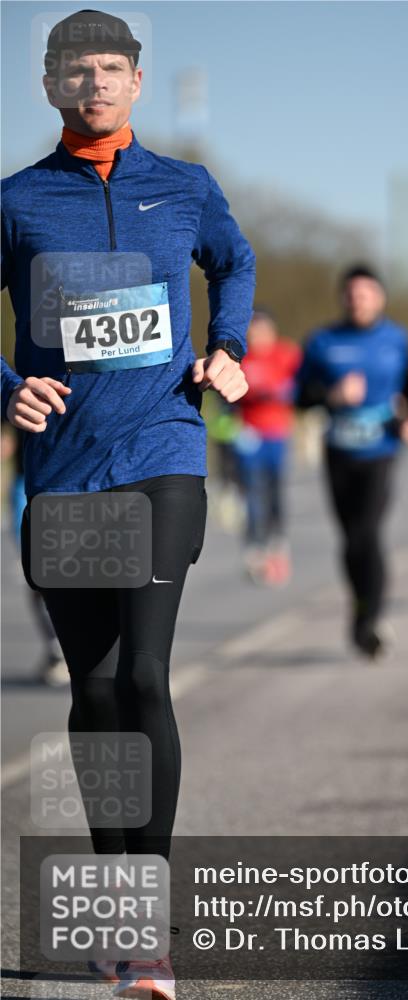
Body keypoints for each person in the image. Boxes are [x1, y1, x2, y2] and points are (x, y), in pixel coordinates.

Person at [1, 10, 255, 999]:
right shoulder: (18, 202)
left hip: (164, 449)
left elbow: (232, 260)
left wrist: (226, 347)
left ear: (136, 82)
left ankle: (147, 927)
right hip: (63, 468)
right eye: (75, 69)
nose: (93, 82)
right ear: (52, 85)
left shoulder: (184, 187)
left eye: (110, 67)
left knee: (145, 675)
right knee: (96, 687)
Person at [296, 265, 408, 660]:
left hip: (381, 448)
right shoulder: (322, 341)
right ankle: (361, 605)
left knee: (369, 532)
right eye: (351, 293)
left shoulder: (398, 339)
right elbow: (301, 397)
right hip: (338, 449)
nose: (358, 300)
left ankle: (371, 619)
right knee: (350, 540)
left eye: (366, 293)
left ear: (380, 297)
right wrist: (332, 395)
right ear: (343, 298)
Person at [234, 309, 302, 585]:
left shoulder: (286, 353)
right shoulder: (241, 356)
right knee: (250, 491)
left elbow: (300, 386)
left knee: (275, 489)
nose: (258, 336)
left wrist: (277, 392)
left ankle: (278, 543)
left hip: (278, 433)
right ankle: (254, 548)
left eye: (263, 330)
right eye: (253, 330)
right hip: (249, 435)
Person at [1, 422, 68, 684]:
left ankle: (82, 647)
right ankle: (56, 649)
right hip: (27, 485)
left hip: (72, 483)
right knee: (39, 575)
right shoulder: (16, 378)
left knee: (81, 571)